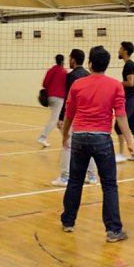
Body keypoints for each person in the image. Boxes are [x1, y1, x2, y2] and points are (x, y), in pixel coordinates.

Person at [60, 45, 134, 243]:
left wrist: (65, 134)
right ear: (107, 64)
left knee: (75, 181)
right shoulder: (115, 85)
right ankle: (113, 230)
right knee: (109, 184)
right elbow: (121, 116)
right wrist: (130, 142)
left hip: (79, 137)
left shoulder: (77, 84)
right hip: (101, 138)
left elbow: (69, 114)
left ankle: (68, 221)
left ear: (90, 63)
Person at [53, 49, 97, 187]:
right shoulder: (89, 75)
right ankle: (92, 176)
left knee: (67, 145)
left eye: (70, 58)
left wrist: (61, 118)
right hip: (88, 116)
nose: (69, 60)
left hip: (75, 117)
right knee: (88, 147)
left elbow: (68, 99)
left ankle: (64, 177)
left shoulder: (71, 76)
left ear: (73, 59)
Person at [114, 41, 134, 162]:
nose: (119, 50)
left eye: (121, 48)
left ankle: (121, 154)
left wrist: (117, 84)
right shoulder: (132, 65)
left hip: (130, 99)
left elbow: (130, 82)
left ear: (125, 51)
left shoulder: (129, 65)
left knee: (118, 126)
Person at [38, 54, 66, 148]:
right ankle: (43, 137)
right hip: (59, 98)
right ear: (63, 61)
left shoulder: (51, 70)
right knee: (54, 119)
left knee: (59, 119)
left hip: (50, 97)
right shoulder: (64, 72)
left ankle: (66, 138)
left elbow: (44, 84)